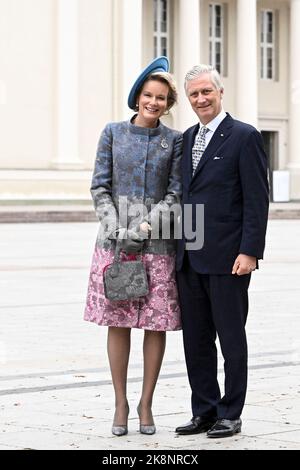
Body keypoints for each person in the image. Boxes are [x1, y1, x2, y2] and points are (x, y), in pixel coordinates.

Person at [84, 57, 182, 437]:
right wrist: (116, 228)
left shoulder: (174, 141)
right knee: (119, 322)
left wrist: (143, 226)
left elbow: (175, 193)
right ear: (137, 96)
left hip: (157, 245)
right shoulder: (111, 133)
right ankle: (121, 402)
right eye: (148, 95)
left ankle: (146, 403)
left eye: (160, 98)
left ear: (168, 103)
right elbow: (99, 186)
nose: (153, 102)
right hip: (115, 246)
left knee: (155, 325)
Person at [175, 65, 269, 438]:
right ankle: (205, 411)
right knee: (196, 340)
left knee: (231, 338)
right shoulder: (186, 139)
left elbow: (257, 200)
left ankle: (231, 412)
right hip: (190, 255)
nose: (200, 99)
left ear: (220, 92)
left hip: (229, 258)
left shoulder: (244, 136)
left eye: (206, 92)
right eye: (194, 94)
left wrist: (250, 251)